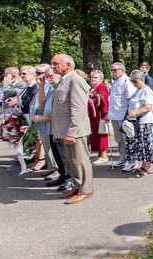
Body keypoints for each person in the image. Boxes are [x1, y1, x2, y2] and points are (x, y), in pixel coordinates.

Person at [51, 54, 94, 204]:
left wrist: (72, 132)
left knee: (80, 161)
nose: (53, 67)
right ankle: (78, 185)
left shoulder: (76, 80)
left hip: (75, 131)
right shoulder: (64, 80)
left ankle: (86, 189)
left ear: (68, 65)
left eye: (56, 64)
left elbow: (78, 109)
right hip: (64, 130)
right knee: (71, 161)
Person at [125, 70, 153, 177]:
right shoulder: (137, 90)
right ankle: (143, 166)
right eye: (132, 81)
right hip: (137, 122)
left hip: (145, 122)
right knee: (140, 145)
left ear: (142, 79)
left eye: (135, 81)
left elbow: (147, 107)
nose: (133, 83)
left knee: (146, 144)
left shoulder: (146, 91)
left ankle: (148, 168)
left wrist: (134, 113)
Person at [108, 62, 136, 170]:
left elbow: (131, 98)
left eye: (115, 70)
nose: (113, 72)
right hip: (114, 115)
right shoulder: (115, 83)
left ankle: (132, 160)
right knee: (118, 139)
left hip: (123, 115)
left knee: (128, 139)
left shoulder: (127, 81)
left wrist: (128, 115)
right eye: (112, 70)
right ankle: (123, 158)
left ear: (122, 70)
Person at [87, 70, 109, 165]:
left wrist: (92, 99)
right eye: (92, 77)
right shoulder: (92, 88)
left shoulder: (102, 88)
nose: (93, 79)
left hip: (100, 115)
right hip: (93, 115)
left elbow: (101, 100)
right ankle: (99, 155)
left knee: (101, 134)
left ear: (101, 79)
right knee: (95, 135)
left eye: (95, 77)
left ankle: (104, 156)